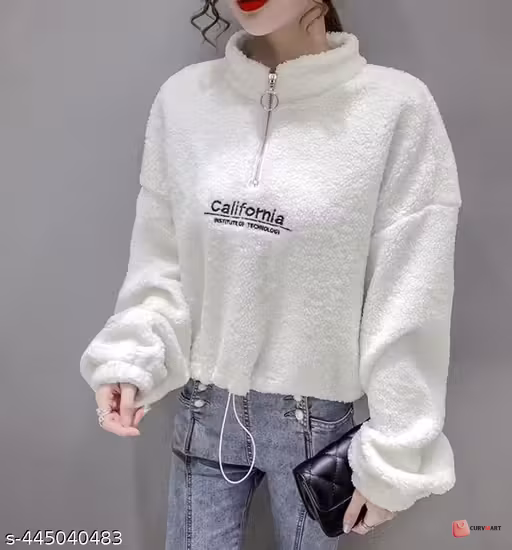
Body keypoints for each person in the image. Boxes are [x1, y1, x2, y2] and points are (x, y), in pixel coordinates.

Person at [80, 1, 462, 548]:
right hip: (204, 411)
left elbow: (410, 296)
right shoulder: (185, 100)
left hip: (314, 426)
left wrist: (397, 453)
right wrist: (133, 358)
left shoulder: (394, 107)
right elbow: (160, 262)